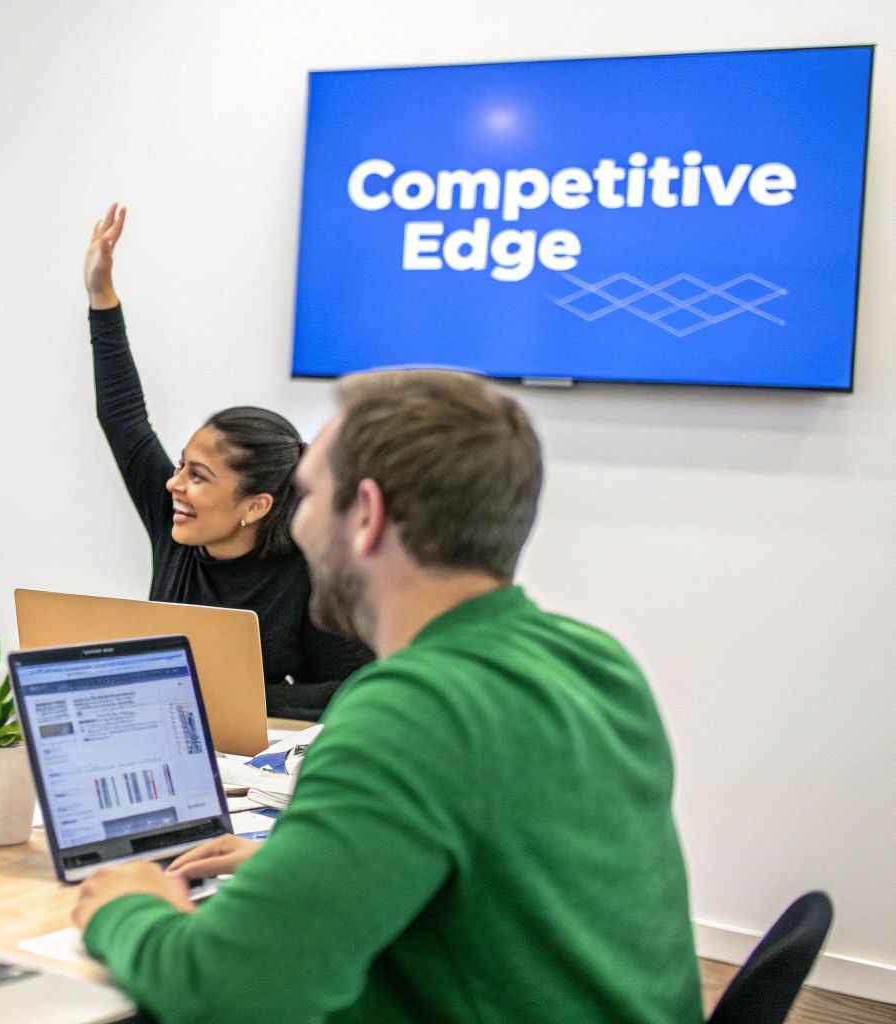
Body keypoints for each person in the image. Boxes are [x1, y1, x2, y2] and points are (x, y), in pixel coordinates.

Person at [70, 369, 702, 1022]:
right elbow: (505, 878)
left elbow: (223, 994)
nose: (301, 525)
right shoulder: (597, 662)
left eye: (309, 497)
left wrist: (127, 907)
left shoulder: (407, 713)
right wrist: (295, 866)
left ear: (365, 515)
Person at [82, 203, 369, 718]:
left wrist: (227, 699)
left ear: (256, 505)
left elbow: (356, 690)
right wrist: (102, 298)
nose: (174, 485)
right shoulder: (176, 527)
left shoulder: (309, 571)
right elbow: (123, 418)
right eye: (180, 467)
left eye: (198, 476)